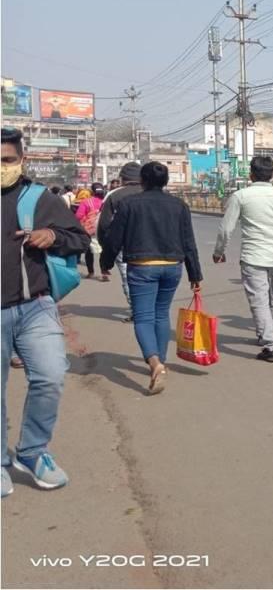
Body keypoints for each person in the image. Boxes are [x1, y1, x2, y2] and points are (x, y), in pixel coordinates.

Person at [2, 127, 91, 496]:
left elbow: (82, 240)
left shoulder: (38, 198)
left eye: (6, 160)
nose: (1, 167)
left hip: (34, 306)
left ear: (21, 161)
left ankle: (33, 451)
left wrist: (53, 237)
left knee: (51, 376)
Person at [100, 162, 202, 395]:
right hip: (172, 267)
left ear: (143, 181)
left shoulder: (129, 204)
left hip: (142, 267)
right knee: (161, 313)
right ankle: (161, 362)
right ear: (165, 181)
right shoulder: (179, 205)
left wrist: (105, 263)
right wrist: (195, 274)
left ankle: (155, 364)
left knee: (144, 317)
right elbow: (189, 242)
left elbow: (114, 238)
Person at [214, 156, 273, 362]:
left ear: (251, 175)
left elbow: (226, 228)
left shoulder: (241, 196)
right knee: (271, 298)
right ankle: (266, 333)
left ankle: (271, 345)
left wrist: (219, 252)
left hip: (254, 258)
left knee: (259, 301)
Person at [98, 162, 143, 321]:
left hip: (122, 246)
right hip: (151, 245)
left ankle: (136, 311)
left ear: (122, 179)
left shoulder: (114, 195)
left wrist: (106, 250)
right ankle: (148, 310)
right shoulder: (152, 192)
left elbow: (103, 225)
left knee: (128, 278)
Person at [74, 183, 107, 281]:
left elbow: (79, 216)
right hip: (103, 229)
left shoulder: (86, 201)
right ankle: (104, 273)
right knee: (104, 252)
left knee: (89, 252)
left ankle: (91, 272)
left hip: (89, 230)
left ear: (92, 191)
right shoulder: (106, 201)